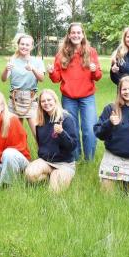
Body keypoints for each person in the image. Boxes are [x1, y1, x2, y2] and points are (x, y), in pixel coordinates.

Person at [48, 22, 102, 161]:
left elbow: (98, 76)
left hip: (87, 97)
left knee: (89, 130)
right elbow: (56, 79)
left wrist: (94, 70)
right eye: (73, 32)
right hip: (68, 97)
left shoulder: (91, 52)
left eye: (79, 32)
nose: (76, 35)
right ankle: (75, 158)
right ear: (69, 35)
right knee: (72, 129)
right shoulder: (61, 54)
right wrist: (52, 72)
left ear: (83, 35)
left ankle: (89, 159)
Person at [24, 89, 77, 192]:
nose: (46, 103)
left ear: (55, 100)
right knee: (29, 174)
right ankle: (49, 175)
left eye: (49, 100)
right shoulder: (41, 120)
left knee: (53, 192)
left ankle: (61, 175)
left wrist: (62, 133)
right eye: (43, 101)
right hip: (46, 161)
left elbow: (72, 146)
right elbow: (41, 144)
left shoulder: (66, 118)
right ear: (40, 104)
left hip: (64, 163)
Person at [1, 34, 45, 136]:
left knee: (37, 134)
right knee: (16, 134)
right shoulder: (13, 60)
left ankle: (44, 152)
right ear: (18, 45)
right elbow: (3, 79)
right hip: (14, 99)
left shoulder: (37, 61)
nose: (24, 47)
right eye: (22, 44)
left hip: (31, 98)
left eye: (27, 45)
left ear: (31, 47)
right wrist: (6, 69)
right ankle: (19, 151)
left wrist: (33, 69)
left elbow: (41, 79)